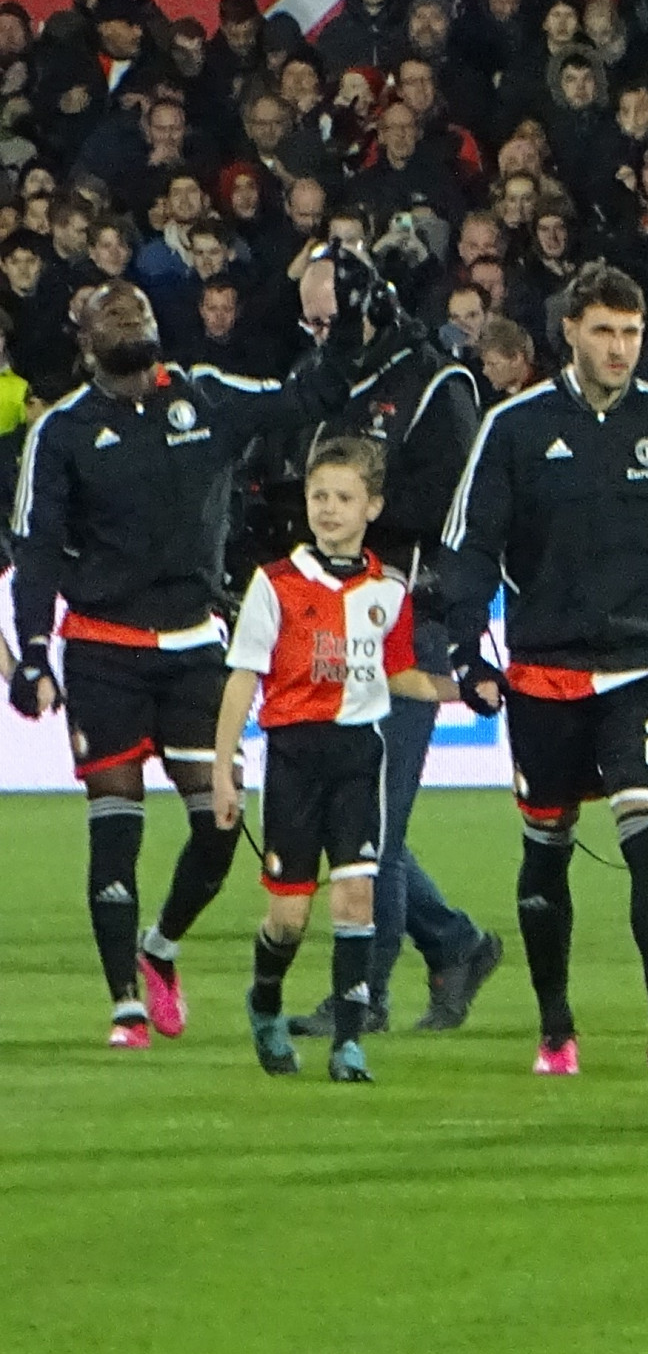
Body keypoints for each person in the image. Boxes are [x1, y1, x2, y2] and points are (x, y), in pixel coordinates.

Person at [16, 280, 348, 1049]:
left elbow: (304, 398)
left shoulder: (206, 395)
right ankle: (123, 1003)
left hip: (198, 643)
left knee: (220, 823)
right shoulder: (63, 431)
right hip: (103, 647)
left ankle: (159, 947)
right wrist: (34, 653)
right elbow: (34, 552)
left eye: (138, 312)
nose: (130, 323)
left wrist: (344, 332)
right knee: (115, 825)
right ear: (88, 341)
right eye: (113, 317)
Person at [437, 264, 648, 1077]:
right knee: (547, 849)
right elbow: (471, 550)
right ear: (570, 330)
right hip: (547, 672)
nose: (619, 349)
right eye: (604, 331)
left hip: (644, 665)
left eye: (632, 334)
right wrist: (470, 652)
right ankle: (556, 1025)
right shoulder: (517, 426)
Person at [287, 245, 501, 1035]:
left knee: (373, 809)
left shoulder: (437, 385)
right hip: (334, 612)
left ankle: (363, 995)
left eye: (326, 317)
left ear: (366, 304)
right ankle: (456, 945)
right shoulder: (340, 379)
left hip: (409, 616)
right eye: (308, 320)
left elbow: (457, 509)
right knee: (353, 803)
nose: (317, 333)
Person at [212, 438, 444, 1082]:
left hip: (358, 755)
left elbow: (399, 676)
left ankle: (348, 1042)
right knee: (289, 917)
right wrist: (223, 767)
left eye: (344, 498)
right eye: (319, 496)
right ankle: (264, 1003)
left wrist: (465, 689)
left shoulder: (388, 591)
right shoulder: (276, 584)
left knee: (356, 897)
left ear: (372, 506)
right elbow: (241, 679)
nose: (329, 509)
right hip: (292, 758)